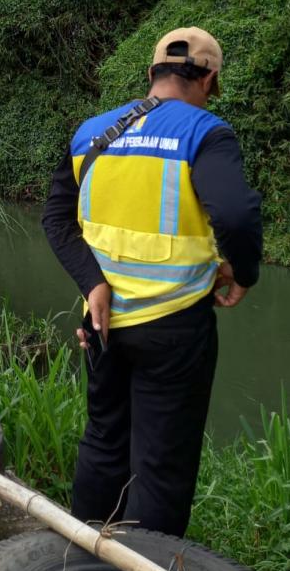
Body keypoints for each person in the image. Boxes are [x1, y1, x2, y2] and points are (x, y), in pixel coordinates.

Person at [42, 27, 262, 536]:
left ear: (151, 75)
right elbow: (235, 213)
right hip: (175, 324)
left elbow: (56, 219)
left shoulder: (93, 132)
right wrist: (243, 271)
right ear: (209, 79)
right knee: (160, 465)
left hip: (102, 321)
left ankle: (80, 568)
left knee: (103, 442)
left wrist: (92, 283)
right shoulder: (205, 131)